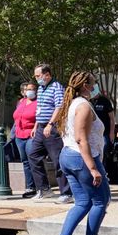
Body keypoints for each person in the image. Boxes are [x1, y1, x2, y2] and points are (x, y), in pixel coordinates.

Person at [50, 71, 112, 235]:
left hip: (69, 156)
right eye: (93, 83)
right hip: (82, 157)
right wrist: (93, 168)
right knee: (101, 200)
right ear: (85, 85)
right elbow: (81, 139)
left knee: (83, 202)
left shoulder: (73, 104)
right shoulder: (83, 106)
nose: (95, 86)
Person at [27, 64, 70, 202]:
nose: (37, 78)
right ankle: (44, 189)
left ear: (47, 75)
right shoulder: (41, 88)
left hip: (52, 127)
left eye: (38, 76)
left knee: (57, 159)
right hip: (40, 127)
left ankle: (66, 192)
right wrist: (36, 126)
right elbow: (40, 108)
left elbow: (60, 107)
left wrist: (50, 124)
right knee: (33, 155)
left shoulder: (56, 87)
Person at [13, 81, 39, 197]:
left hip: (31, 135)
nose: (30, 91)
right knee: (25, 162)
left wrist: (35, 128)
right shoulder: (21, 102)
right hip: (19, 135)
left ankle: (40, 186)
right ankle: (30, 187)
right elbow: (16, 118)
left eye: (32, 89)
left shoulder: (38, 102)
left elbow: (39, 117)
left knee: (33, 160)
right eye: (28, 89)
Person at [89, 81, 116, 150]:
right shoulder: (89, 101)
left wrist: (112, 132)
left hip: (105, 133)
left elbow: (112, 118)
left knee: (104, 149)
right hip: (93, 133)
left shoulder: (105, 101)